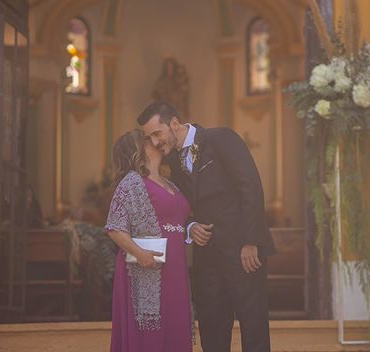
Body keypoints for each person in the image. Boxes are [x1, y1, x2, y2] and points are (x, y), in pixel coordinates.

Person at [137, 102, 276, 352]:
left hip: (243, 253)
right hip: (207, 258)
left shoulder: (221, 138)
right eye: (150, 137)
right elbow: (182, 206)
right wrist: (190, 227)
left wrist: (251, 241)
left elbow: (251, 187)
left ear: (175, 124)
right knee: (212, 330)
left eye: (157, 133)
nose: (155, 142)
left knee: (253, 327)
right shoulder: (173, 163)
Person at [105, 129, 193, 352]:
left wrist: (195, 228)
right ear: (138, 149)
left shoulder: (170, 183)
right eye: (148, 139)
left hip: (176, 270)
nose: (156, 141)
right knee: (150, 338)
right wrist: (140, 253)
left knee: (176, 328)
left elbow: (181, 219)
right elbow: (115, 227)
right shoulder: (133, 182)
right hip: (147, 270)